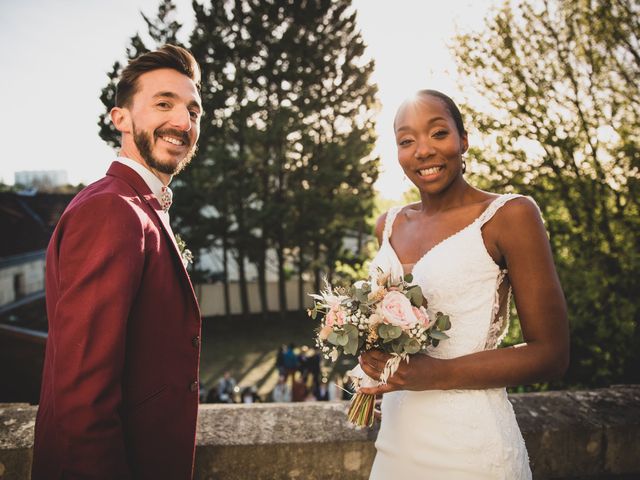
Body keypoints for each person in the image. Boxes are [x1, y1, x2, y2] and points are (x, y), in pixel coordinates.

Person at [358, 90, 569, 479]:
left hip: (471, 448)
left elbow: (552, 354)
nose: (422, 150)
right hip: (396, 446)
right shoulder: (387, 225)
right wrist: (369, 359)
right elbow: (388, 331)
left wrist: (429, 375)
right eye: (407, 141)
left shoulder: (510, 215)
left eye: (438, 133)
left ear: (463, 139)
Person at [32, 45, 204, 480]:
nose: (183, 122)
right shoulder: (111, 211)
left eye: (193, 111)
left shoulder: (137, 206)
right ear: (121, 119)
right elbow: (81, 401)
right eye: (163, 103)